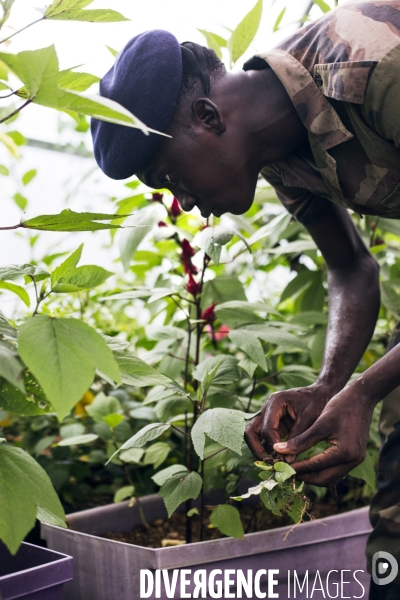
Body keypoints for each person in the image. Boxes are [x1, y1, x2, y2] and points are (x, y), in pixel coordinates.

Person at [91, 2, 400, 597]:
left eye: (169, 177)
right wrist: (328, 386)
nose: (181, 204)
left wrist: (365, 390)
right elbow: (351, 267)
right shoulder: (275, 144)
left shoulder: (375, 68)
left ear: (207, 117)